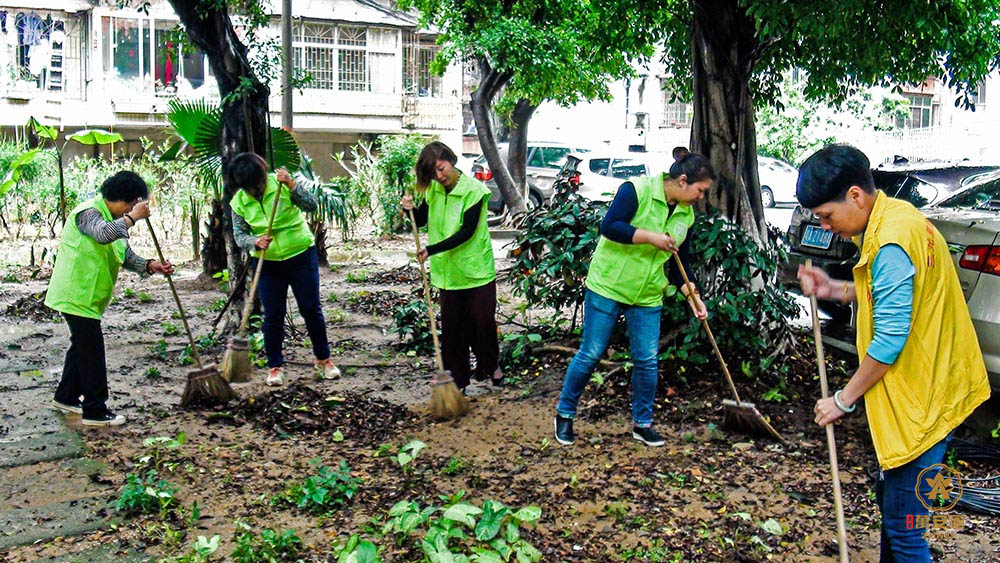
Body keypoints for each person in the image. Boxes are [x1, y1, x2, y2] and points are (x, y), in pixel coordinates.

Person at [796, 144, 990, 562]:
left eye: (827, 216)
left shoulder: (891, 243)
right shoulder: (899, 216)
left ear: (854, 196)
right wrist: (833, 289)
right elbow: (889, 296)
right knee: (897, 511)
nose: (825, 227)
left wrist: (841, 402)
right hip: (935, 389)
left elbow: (888, 343)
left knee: (906, 534)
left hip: (922, 403)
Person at [554, 147, 713, 447]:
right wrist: (650, 237)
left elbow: (682, 263)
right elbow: (610, 227)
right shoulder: (636, 190)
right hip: (609, 285)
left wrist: (693, 296)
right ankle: (565, 414)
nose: (700, 198)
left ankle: (643, 424)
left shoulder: (686, 214)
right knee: (591, 352)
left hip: (648, 292)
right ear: (682, 181)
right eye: (700, 191)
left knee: (647, 361)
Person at [45, 171, 173, 427]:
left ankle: (66, 396)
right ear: (126, 201)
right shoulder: (88, 213)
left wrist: (151, 265)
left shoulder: (115, 220)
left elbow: (124, 256)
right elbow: (102, 234)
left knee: (82, 347)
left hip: (89, 297)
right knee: (92, 351)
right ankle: (95, 410)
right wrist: (131, 218)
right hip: (75, 293)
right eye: (130, 205)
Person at [229, 152, 341, 386]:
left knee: (311, 309)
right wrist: (255, 241)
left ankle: (324, 359)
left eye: (256, 184)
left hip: (300, 253)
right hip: (267, 262)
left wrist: (292, 185)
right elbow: (239, 236)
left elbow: (311, 204)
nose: (254, 190)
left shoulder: (279, 182)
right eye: (248, 187)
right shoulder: (239, 202)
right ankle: (274, 367)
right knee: (273, 315)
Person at [399, 141, 503, 392]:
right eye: (433, 172)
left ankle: (491, 367)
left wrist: (431, 250)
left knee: (481, 323)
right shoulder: (434, 189)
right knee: (453, 329)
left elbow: (466, 232)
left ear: (451, 160)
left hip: (475, 270)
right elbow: (422, 219)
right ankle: (458, 381)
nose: (439, 176)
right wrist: (408, 210)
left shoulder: (474, 191)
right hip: (447, 273)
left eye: (441, 168)